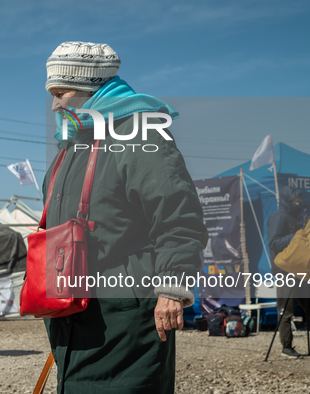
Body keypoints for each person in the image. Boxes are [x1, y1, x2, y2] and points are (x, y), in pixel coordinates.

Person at [42, 41, 207, 393]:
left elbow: (179, 215)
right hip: (74, 311)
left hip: (124, 315)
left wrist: (173, 289)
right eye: (51, 94)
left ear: (91, 87)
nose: (55, 104)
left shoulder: (139, 135)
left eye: (62, 92)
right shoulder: (71, 145)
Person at [268, 186, 310, 358]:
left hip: (299, 269)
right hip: (284, 270)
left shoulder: (294, 217)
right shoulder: (278, 217)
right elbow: (274, 243)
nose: (299, 201)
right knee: (286, 311)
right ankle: (286, 347)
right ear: (288, 199)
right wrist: (297, 235)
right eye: (297, 198)